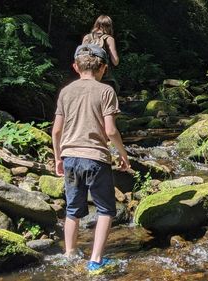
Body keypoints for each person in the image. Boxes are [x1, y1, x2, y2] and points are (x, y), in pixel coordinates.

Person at [52, 44, 130, 275]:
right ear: (104, 68)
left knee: (73, 210)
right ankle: (96, 261)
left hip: (70, 158)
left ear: (75, 66)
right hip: (96, 158)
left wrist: (58, 157)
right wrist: (123, 155)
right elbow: (111, 131)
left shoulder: (66, 92)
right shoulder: (106, 91)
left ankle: (69, 254)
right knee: (106, 210)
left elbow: (56, 130)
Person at [82, 15, 120, 93]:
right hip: (104, 78)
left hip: (87, 76)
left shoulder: (86, 37)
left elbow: (81, 57)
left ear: (96, 24)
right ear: (109, 26)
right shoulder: (109, 39)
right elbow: (115, 62)